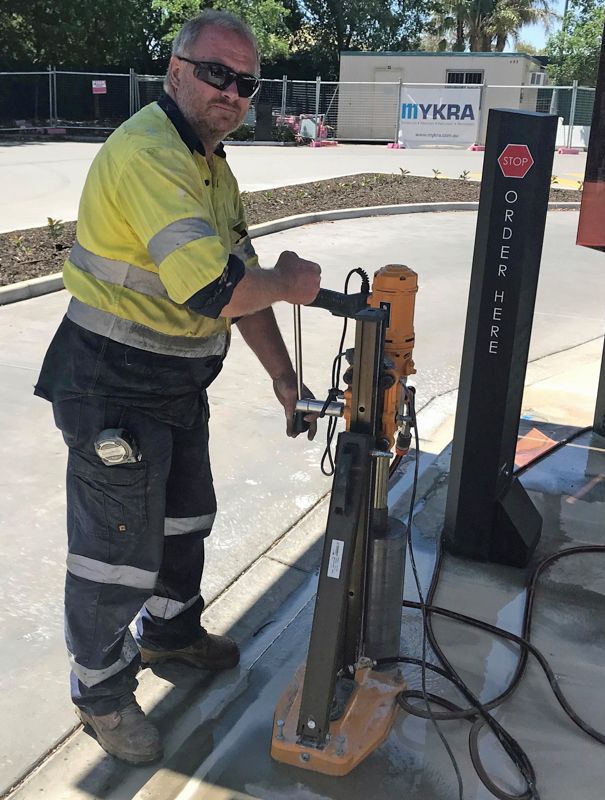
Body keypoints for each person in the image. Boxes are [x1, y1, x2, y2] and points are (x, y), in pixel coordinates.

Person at [34, 9, 321, 765]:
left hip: (173, 384)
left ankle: (168, 634)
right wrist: (290, 284)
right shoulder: (150, 155)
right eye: (217, 72)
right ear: (176, 71)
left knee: (185, 519)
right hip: (111, 383)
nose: (232, 91)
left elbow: (241, 283)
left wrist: (285, 377)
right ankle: (99, 694)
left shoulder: (209, 165)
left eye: (246, 82)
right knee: (115, 550)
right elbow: (219, 292)